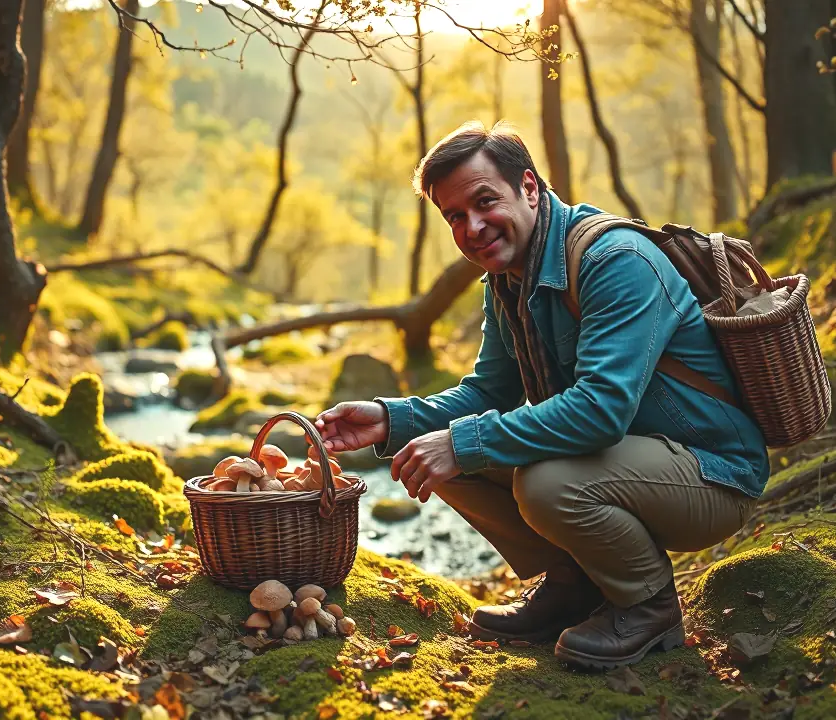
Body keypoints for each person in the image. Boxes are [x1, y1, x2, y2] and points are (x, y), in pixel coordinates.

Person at [313, 121, 769, 671]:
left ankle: (649, 605)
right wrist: (390, 419)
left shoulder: (614, 260)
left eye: (485, 202)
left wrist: (464, 441)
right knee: (439, 449)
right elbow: (487, 393)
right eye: (455, 216)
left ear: (529, 187)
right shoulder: (507, 280)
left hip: (713, 473)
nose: (473, 227)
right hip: (631, 459)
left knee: (542, 480)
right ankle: (576, 584)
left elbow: (601, 411)